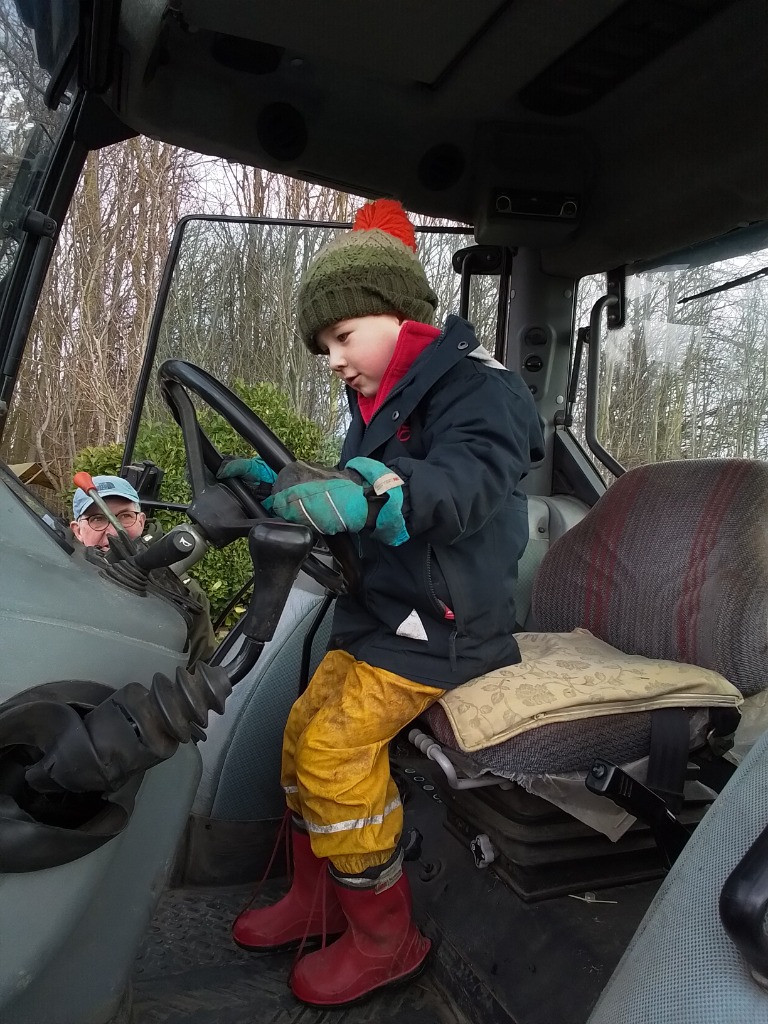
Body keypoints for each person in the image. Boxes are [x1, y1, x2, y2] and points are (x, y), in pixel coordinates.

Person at [220, 200, 545, 1007]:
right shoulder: (376, 404)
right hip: (381, 618)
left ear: (400, 314)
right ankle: (320, 898)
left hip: (445, 627)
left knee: (333, 751)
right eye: (323, 346)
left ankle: (385, 938)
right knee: (302, 737)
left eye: (341, 337)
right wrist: (287, 486)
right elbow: (354, 494)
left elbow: (465, 479)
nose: (332, 360)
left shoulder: (480, 391)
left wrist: (374, 491)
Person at [71, 474, 216, 666]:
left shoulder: (184, 593)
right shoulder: (60, 578)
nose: (114, 532)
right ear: (77, 530)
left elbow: (200, 669)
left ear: (141, 521)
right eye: (98, 519)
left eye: (125, 516)